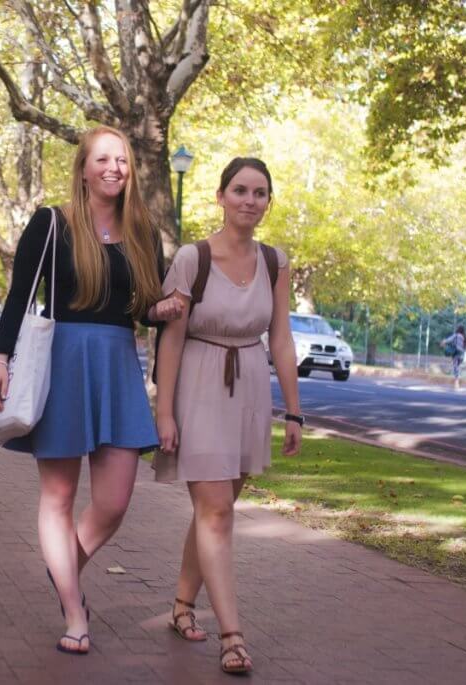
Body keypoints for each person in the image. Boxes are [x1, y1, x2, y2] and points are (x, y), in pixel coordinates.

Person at [0, 125, 185, 656]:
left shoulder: (144, 231)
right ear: (83, 169)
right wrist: (0, 359)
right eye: (102, 159)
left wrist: (161, 309)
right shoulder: (52, 224)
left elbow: (142, 307)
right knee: (58, 496)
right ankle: (75, 611)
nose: (114, 168)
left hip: (116, 364)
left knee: (115, 501)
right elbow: (18, 297)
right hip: (63, 362)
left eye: (121, 160)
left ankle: (62, 570)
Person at [154, 158, 302, 675]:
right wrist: (164, 411)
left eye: (260, 193)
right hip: (198, 384)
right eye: (239, 190)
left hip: (251, 389)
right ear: (220, 196)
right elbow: (170, 341)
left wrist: (295, 412)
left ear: (267, 202)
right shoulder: (192, 259)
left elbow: (281, 338)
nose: (249, 200)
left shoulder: (274, 261)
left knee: (214, 509)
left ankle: (180, 606)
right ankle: (232, 635)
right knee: (217, 511)